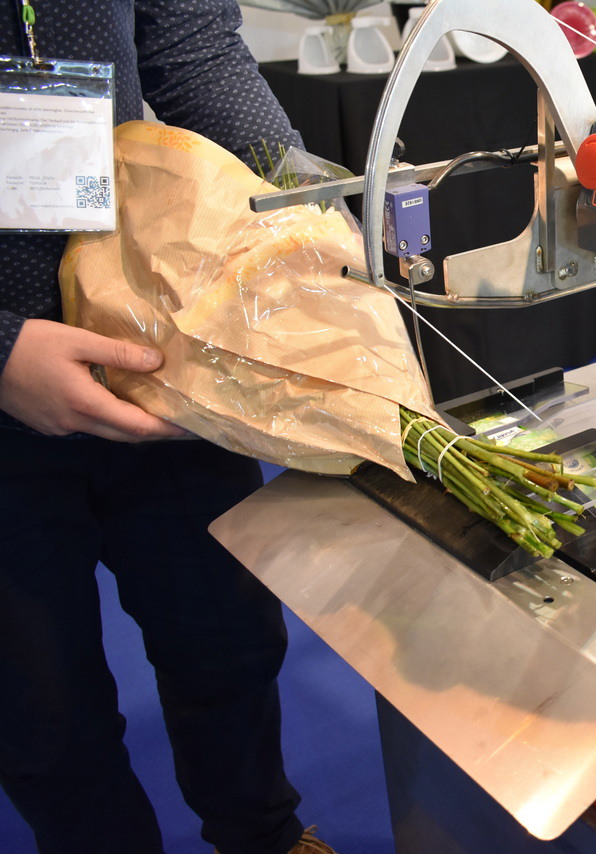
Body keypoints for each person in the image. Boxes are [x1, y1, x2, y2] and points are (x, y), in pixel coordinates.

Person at [1, 2, 337, 852]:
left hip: (158, 329)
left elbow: (193, 47)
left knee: (229, 638)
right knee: (41, 714)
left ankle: (265, 835)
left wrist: (303, 199)